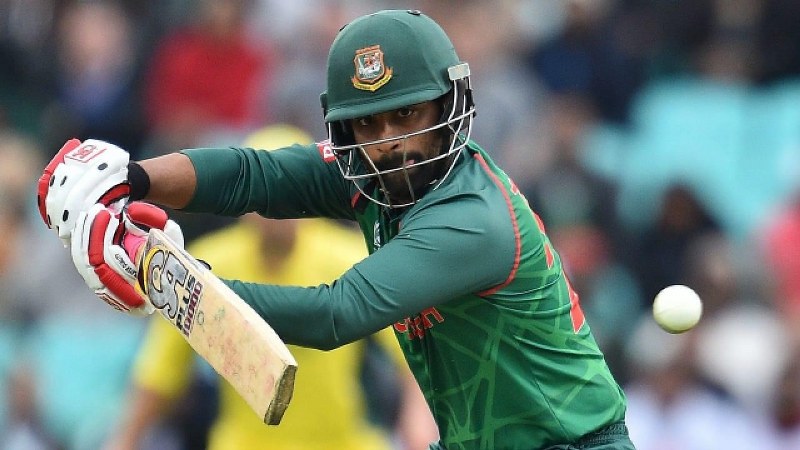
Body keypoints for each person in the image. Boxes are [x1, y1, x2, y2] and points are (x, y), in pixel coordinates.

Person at [38, 10, 635, 449]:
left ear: (449, 105)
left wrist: (164, 279)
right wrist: (130, 177)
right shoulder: (372, 177)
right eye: (369, 124)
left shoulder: (470, 218)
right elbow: (254, 175)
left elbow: (335, 314)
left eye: (408, 113)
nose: (391, 141)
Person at [103, 125, 436, 450]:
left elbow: (411, 350)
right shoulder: (206, 264)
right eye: (265, 193)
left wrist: (418, 418)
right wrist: (125, 439)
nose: (277, 209)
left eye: (291, 192)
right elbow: (161, 374)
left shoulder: (350, 257)